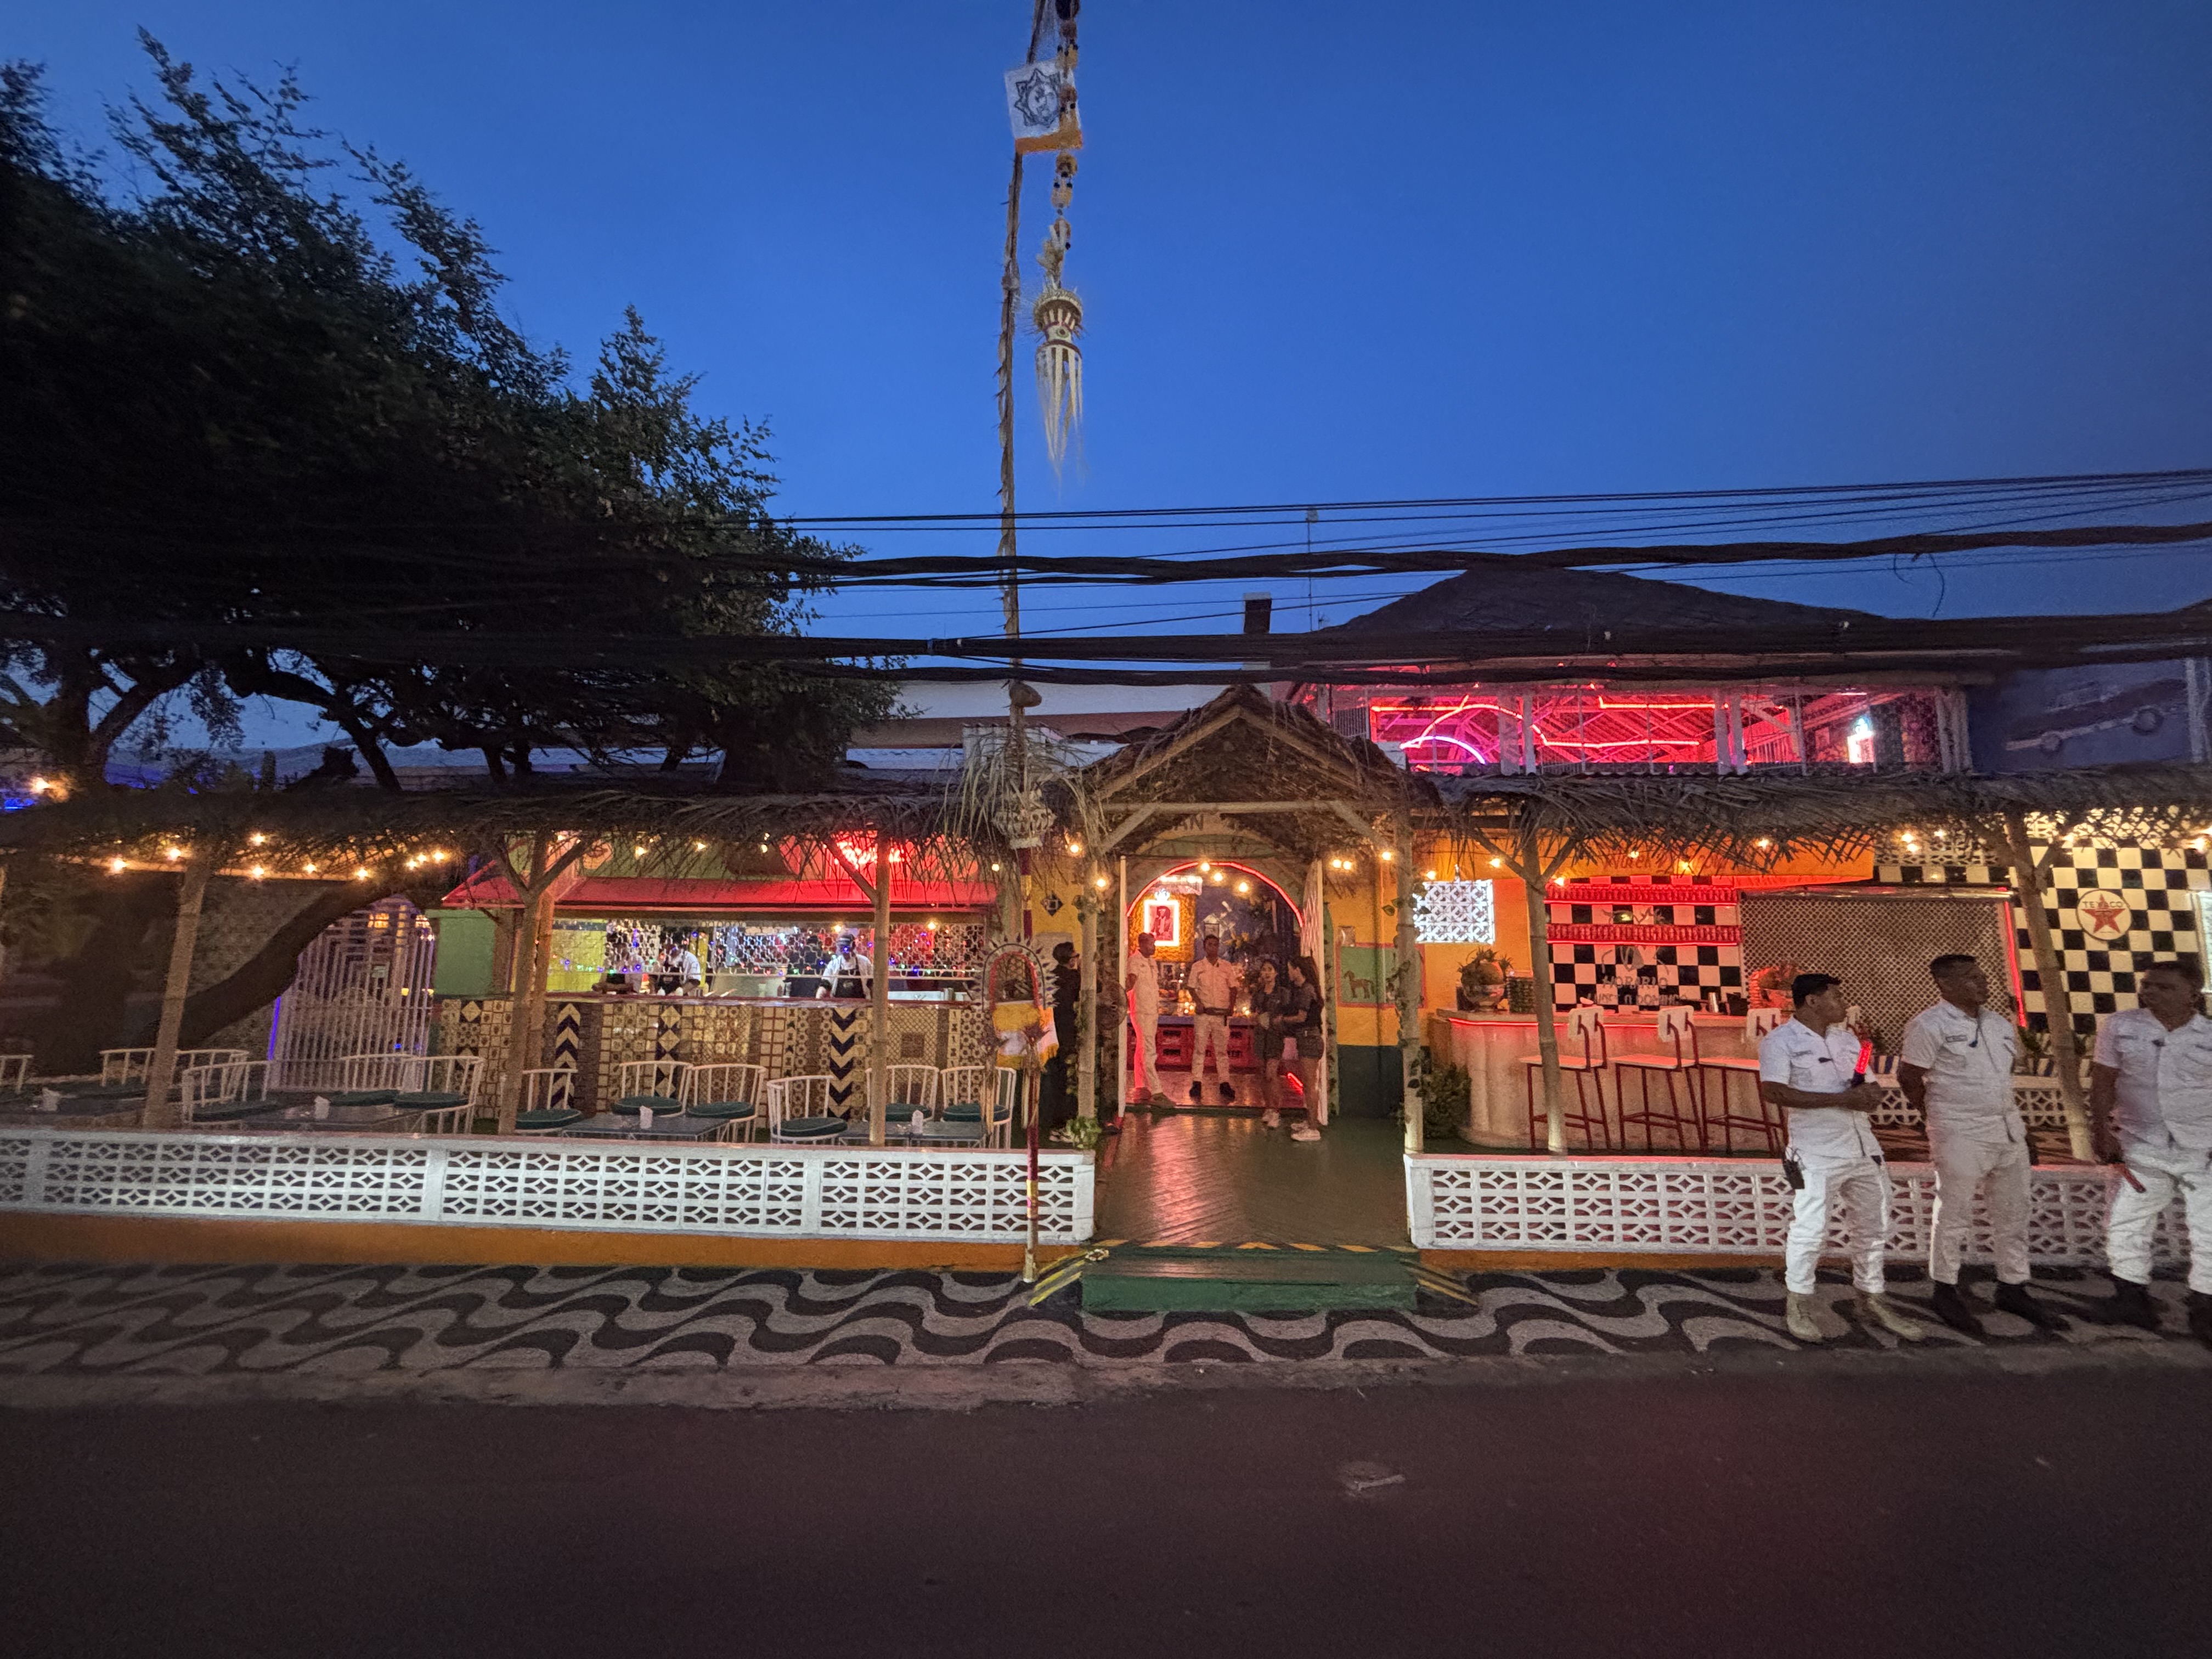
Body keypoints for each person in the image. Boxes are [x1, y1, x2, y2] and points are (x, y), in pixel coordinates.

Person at [1898, 955, 2060, 1334]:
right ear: (1945, 984)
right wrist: (1935, 1116)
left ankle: (2013, 1285)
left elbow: (2001, 1081)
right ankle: (1945, 1289)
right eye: (1971, 978)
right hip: (1960, 1132)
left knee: (2014, 1213)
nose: (1983, 983)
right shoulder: (1929, 1025)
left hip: (2007, 1130)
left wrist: (2022, 1130)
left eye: (1982, 976)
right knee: (1954, 1213)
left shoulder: (1999, 1024)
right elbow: (1909, 1076)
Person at [1759, 972, 1925, 1344]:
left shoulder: (1851, 1041)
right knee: (1810, 1229)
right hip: (1816, 1150)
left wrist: (1870, 1095)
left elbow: (1866, 1082)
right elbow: (1773, 1092)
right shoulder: (1780, 1041)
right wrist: (1840, 1100)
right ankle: (1799, 1301)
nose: (1843, 1004)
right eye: (1835, 996)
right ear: (1812, 1001)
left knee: (1874, 1226)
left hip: (1864, 1147)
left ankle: (1872, 1297)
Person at [2090, 958, 2212, 1345]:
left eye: (2164, 987)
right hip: (2140, 1145)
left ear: (2192, 994)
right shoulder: (2121, 1026)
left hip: (2203, 1149)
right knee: (2126, 1221)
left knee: (2209, 1229)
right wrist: (2101, 1130)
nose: (2151, 992)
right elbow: (2103, 1080)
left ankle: (2205, 1309)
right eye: (2148, 985)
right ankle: (2130, 1299)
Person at [1185, 933, 1240, 1105]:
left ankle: (1224, 1083)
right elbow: (1191, 987)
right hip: (1204, 1015)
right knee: (1199, 1049)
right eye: (1210, 945)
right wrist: (1199, 1003)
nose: (1213, 948)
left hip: (1221, 1015)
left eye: (1216, 945)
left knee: (1222, 1051)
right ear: (1204, 947)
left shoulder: (1226, 966)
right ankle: (1197, 1082)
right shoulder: (1198, 967)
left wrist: (1231, 1007)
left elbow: (1234, 988)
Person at [1281, 955, 1324, 1142]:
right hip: (1306, 1038)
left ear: (1298, 970)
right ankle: (1310, 1121)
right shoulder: (1305, 989)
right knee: (1307, 1083)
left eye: (1291, 969)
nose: (1289, 972)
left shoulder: (1307, 990)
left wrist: (1282, 1020)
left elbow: (1301, 1017)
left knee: (1310, 1084)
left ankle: (1313, 1128)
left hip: (1309, 1039)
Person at [1042, 940, 1080, 1128]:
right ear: (1071, 959)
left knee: (1054, 1075)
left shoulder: (1051, 976)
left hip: (1050, 1031)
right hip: (1067, 1030)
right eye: (1076, 956)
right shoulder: (1074, 978)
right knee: (1067, 1076)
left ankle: (1052, 1118)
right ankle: (1065, 1117)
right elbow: (1097, 988)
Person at [1124, 930, 1164, 1107]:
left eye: (1154, 943)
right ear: (1141, 944)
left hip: (1152, 1010)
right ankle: (1156, 1090)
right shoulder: (1135, 961)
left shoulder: (1152, 962)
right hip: (1141, 1010)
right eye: (1151, 943)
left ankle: (1141, 1086)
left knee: (1142, 1048)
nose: (1154, 947)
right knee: (1149, 1050)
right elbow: (1130, 982)